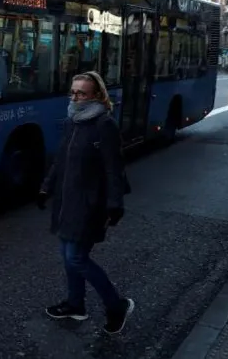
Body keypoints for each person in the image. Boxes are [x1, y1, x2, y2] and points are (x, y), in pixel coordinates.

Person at [36, 71, 134, 335]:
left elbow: (114, 169)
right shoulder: (73, 121)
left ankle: (117, 306)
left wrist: (115, 204)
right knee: (68, 258)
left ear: (97, 96)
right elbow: (60, 159)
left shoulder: (104, 125)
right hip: (67, 200)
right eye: (73, 92)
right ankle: (75, 304)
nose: (76, 97)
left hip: (90, 203)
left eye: (82, 93)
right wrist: (46, 187)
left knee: (77, 258)